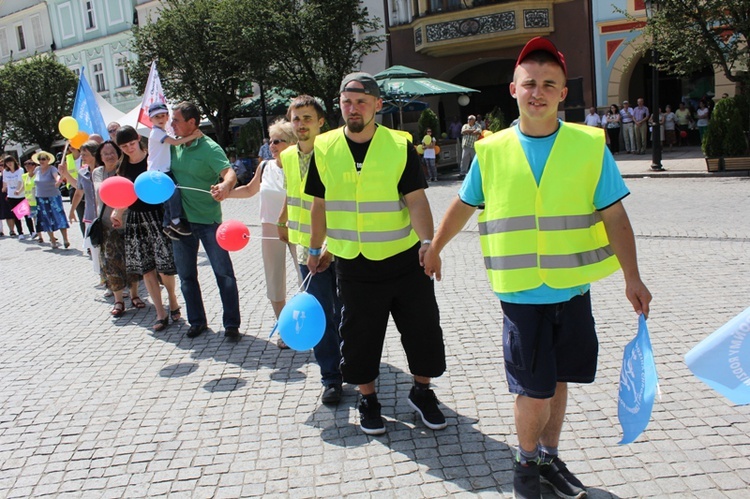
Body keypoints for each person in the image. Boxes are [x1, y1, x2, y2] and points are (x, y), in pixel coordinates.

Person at [422, 37, 652, 499]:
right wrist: (435, 247)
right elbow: (465, 205)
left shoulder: (589, 146)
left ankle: (548, 457)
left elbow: (616, 218)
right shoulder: (492, 150)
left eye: (550, 84)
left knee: (559, 379)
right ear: (513, 89)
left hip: (572, 289)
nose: (539, 92)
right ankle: (526, 465)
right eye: (530, 83)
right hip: (521, 293)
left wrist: (633, 277)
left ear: (564, 93)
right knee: (536, 389)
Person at [305, 73, 447, 435]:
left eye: (361, 101)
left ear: (377, 105)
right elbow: (319, 205)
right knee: (359, 336)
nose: (352, 108)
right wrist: (315, 247)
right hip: (352, 261)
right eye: (346, 102)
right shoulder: (323, 147)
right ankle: (368, 398)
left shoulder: (399, 146)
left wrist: (428, 243)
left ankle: (422, 391)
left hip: (403, 258)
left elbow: (415, 200)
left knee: (422, 329)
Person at [276, 95, 343, 403]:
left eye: (307, 118)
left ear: (320, 122)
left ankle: (353, 365)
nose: (301, 124)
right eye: (296, 119)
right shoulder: (288, 156)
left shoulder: (335, 151)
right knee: (320, 314)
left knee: (347, 311)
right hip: (308, 250)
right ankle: (330, 377)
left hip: (342, 246)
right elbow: (294, 196)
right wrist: (284, 221)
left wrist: (329, 245)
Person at [169, 101, 242, 342]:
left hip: (208, 221)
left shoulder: (210, 148)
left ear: (192, 122)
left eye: (176, 120)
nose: (172, 124)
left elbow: (229, 172)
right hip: (180, 222)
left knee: (224, 274)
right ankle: (197, 321)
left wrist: (225, 185)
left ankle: (231, 324)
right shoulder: (172, 146)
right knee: (186, 276)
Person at [224, 119, 301, 321]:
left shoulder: (300, 166)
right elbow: (250, 189)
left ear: (292, 143)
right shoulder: (265, 166)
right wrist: (225, 193)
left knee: (306, 276)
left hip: (297, 226)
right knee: (274, 277)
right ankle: (282, 324)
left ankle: (310, 322)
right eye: (271, 141)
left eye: (278, 141)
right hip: (270, 227)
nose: (272, 146)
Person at [111, 126, 180, 332]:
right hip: (135, 220)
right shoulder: (121, 169)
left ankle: (173, 299)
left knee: (165, 267)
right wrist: (118, 212)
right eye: (124, 146)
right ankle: (160, 313)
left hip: (157, 216)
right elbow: (124, 196)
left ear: (138, 140)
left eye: (132, 143)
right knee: (147, 268)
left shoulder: (153, 160)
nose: (129, 148)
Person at [92, 141, 142, 317]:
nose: (109, 156)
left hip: (128, 222)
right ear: (100, 156)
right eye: (105, 153)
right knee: (111, 262)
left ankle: (135, 295)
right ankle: (119, 300)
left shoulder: (126, 168)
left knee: (132, 260)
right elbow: (100, 191)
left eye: (112, 152)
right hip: (106, 224)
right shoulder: (98, 172)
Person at [146, 101, 202, 240]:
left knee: (169, 198)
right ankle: (175, 221)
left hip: (162, 169)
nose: (161, 119)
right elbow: (176, 142)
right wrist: (194, 136)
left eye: (163, 115)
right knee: (174, 194)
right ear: (150, 119)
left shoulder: (161, 132)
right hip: (158, 171)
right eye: (157, 116)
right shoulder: (156, 133)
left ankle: (167, 224)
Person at [61, 141, 100, 268]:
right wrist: (72, 210)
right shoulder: (82, 173)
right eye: (82, 154)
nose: (82, 157)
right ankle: (101, 276)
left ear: (94, 155)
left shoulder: (105, 170)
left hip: (104, 215)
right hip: (90, 216)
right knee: (94, 249)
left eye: (85, 154)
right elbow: (78, 192)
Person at [31, 151, 70, 249]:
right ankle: (52, 240)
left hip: (53, 196)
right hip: (40, 197)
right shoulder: (37, 170)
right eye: (40, 159)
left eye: (43, 159)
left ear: (48, 160)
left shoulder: (52, 169)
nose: (41, 161)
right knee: (46, 218)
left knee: (59, 216)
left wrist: (59, 181)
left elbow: (56, 177)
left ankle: (65, 239)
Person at [2, 156, 27, 238]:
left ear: (14, 161)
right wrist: (4, 188)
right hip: (11, 196)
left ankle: (32, 231)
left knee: (26, 214)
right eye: (7, 162)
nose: (9, 164)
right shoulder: (5, 172)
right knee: (16, 215)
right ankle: (20, 233)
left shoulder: (20, 170)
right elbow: (5, 182)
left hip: (21, 195)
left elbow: (21, 181)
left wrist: (18, 190)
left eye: (10, 161)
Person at [20, 159, 39, 241]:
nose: (27, 168)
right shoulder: (24, 176)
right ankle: (35, 232)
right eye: (26, 166)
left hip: (36, 199)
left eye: (29, 166)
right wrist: (18, 191)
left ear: (34, 166)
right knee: (30, 217)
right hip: (27, 200)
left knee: (37, 217)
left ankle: (40, 232)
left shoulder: (37, 175)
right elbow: (23, 186)